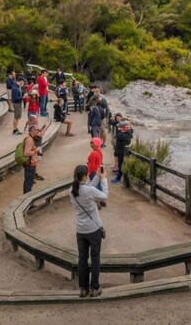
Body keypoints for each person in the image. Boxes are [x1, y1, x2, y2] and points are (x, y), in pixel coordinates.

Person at [70, 164, 108, 298]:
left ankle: (83, 288)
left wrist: (97, 177)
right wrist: (103, 179)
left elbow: (87, 188)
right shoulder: (88, 191)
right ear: (85, 176)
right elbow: (104, 196)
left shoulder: (72, 190)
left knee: (82, 258)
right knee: (95, 258)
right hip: (93, 229)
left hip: (80, 230)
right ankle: (95, 287)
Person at [112, 117, 133, 184]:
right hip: (121, 151)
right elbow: (129, 139)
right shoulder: (127, 133)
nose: (118, 128)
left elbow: (128, 141)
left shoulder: (121, 135)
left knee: (121, 165)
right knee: (121, 165)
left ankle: (118, 179)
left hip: (122, 152)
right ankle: (121, 177)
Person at [22, 125, 40, 194]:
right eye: (37, 130)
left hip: (31, 164)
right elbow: (26, 153)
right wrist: (36, 151)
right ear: (33, 130)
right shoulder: (29, 140)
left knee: (29, 183)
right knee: (28, 183)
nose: (38, 131)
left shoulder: (31, 138)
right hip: (29, 165)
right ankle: (26, 198)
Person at [86, 137, 106, 203]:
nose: (91, 144)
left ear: (95, 144)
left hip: (94, 171)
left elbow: (92, 165)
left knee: (95, 187)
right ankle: (102, 200)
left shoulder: (94, 153)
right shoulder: (99, 150)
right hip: (100, 168)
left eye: (92, 143)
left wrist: (88, 173)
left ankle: (98, 202)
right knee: (101, 185)